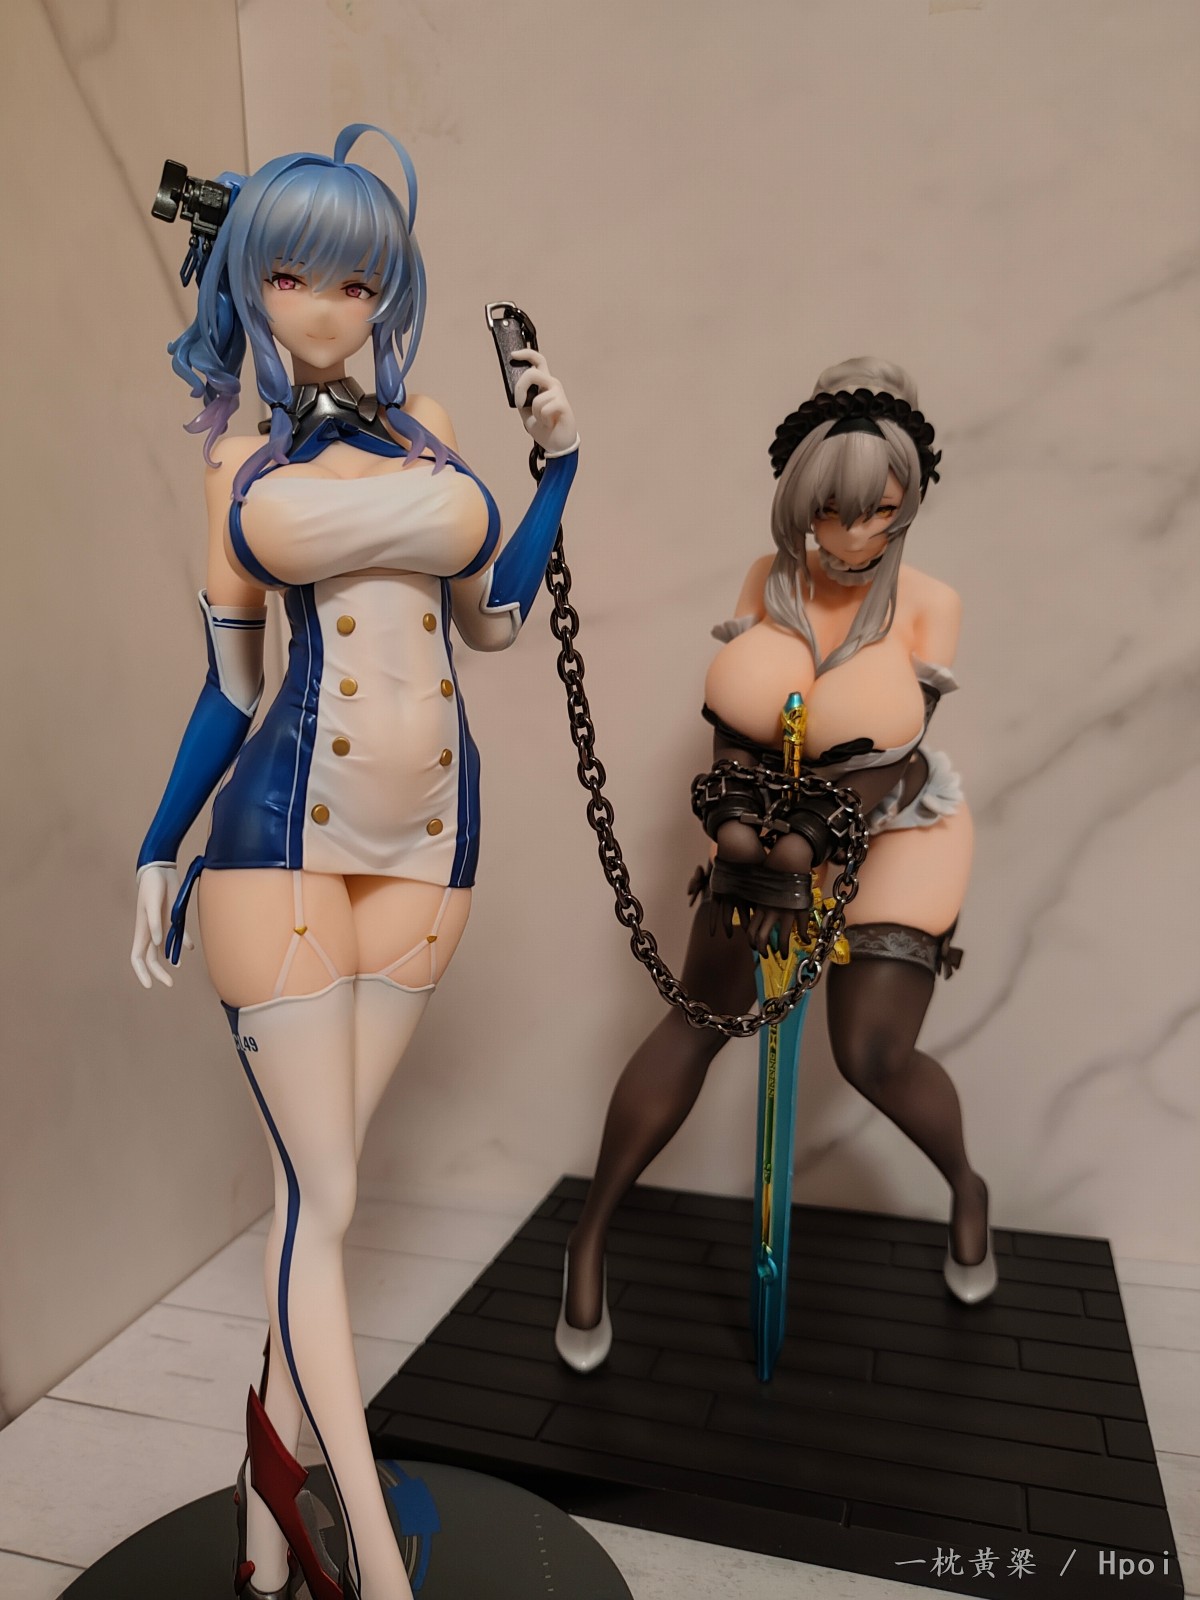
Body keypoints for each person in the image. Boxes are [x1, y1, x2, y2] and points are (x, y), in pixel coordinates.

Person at [130, 126, 578, 1600]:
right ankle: (376, 1564)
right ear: (246, 286)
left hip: (435, 852)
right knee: (326, 1204)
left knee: (304, 1200)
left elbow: (492, 620)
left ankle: (266, 1521)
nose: (328, 308)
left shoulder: (432, 427)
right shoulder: (237, 467)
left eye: (358, 281)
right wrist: (158, 843)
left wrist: (557, 472)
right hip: (282, 852)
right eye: (294, 277)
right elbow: (232, 690)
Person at [555, 357, 992, 1377]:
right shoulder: (768, 580)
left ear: (909, 498)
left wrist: (807, 850)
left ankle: (966, 1187)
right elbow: (738, 735)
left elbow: (889, 764)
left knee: (871, 1053)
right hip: (756, 824)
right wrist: (741, 838)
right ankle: (589, 1236)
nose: (849, 537)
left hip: (895, 830)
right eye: (827, 511)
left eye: (876, 510)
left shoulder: (929, 604)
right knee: (699, 1012)